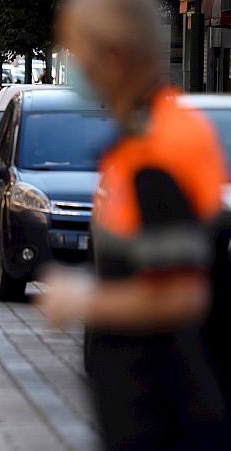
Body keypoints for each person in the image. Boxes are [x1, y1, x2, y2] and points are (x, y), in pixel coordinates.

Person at [38, 0, 229, 449]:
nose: (71, 60)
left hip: (167, 419)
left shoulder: (156, 151)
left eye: (74, 49)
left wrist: (82, 299)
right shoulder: (148, 136)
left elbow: (179, 295)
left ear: (112, 55)